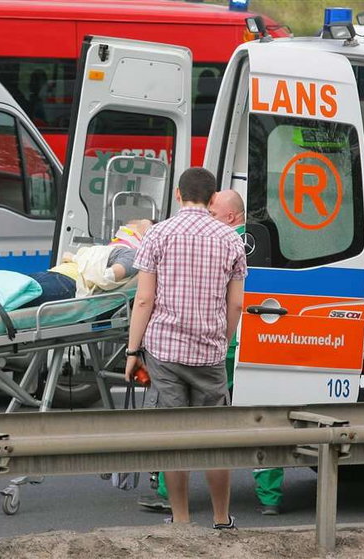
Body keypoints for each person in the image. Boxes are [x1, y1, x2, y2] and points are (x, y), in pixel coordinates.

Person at [125, 167, 246, 529]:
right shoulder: (230, 240)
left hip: (165, 352)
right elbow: (237, 305)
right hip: (209, 354)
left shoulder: (157, 235)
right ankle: (222, 519)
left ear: (178, 195)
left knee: (173, 437)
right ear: (212, 200)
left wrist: (133, 352)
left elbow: (144, 299)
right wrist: (220, 339)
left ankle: (180, 520)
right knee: (214, 439)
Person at [210, 190, 285, 517]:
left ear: (230, 217)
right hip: (259, 341)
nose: (209, 219)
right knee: (262, 418)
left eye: (214, 214)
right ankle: (270, 497)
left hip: (221, 343)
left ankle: (169, 490)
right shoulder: (268, 241)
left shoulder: (217, 244)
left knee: (191, 414)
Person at [24, 219, 154, 307]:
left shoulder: (132, 254)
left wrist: (76, 258)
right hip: (55, 273)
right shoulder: (108, 249)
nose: (125, 231)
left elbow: (107, 277)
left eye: (133, 229)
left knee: (11, 298)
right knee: (8, 288)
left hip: (71, 283)